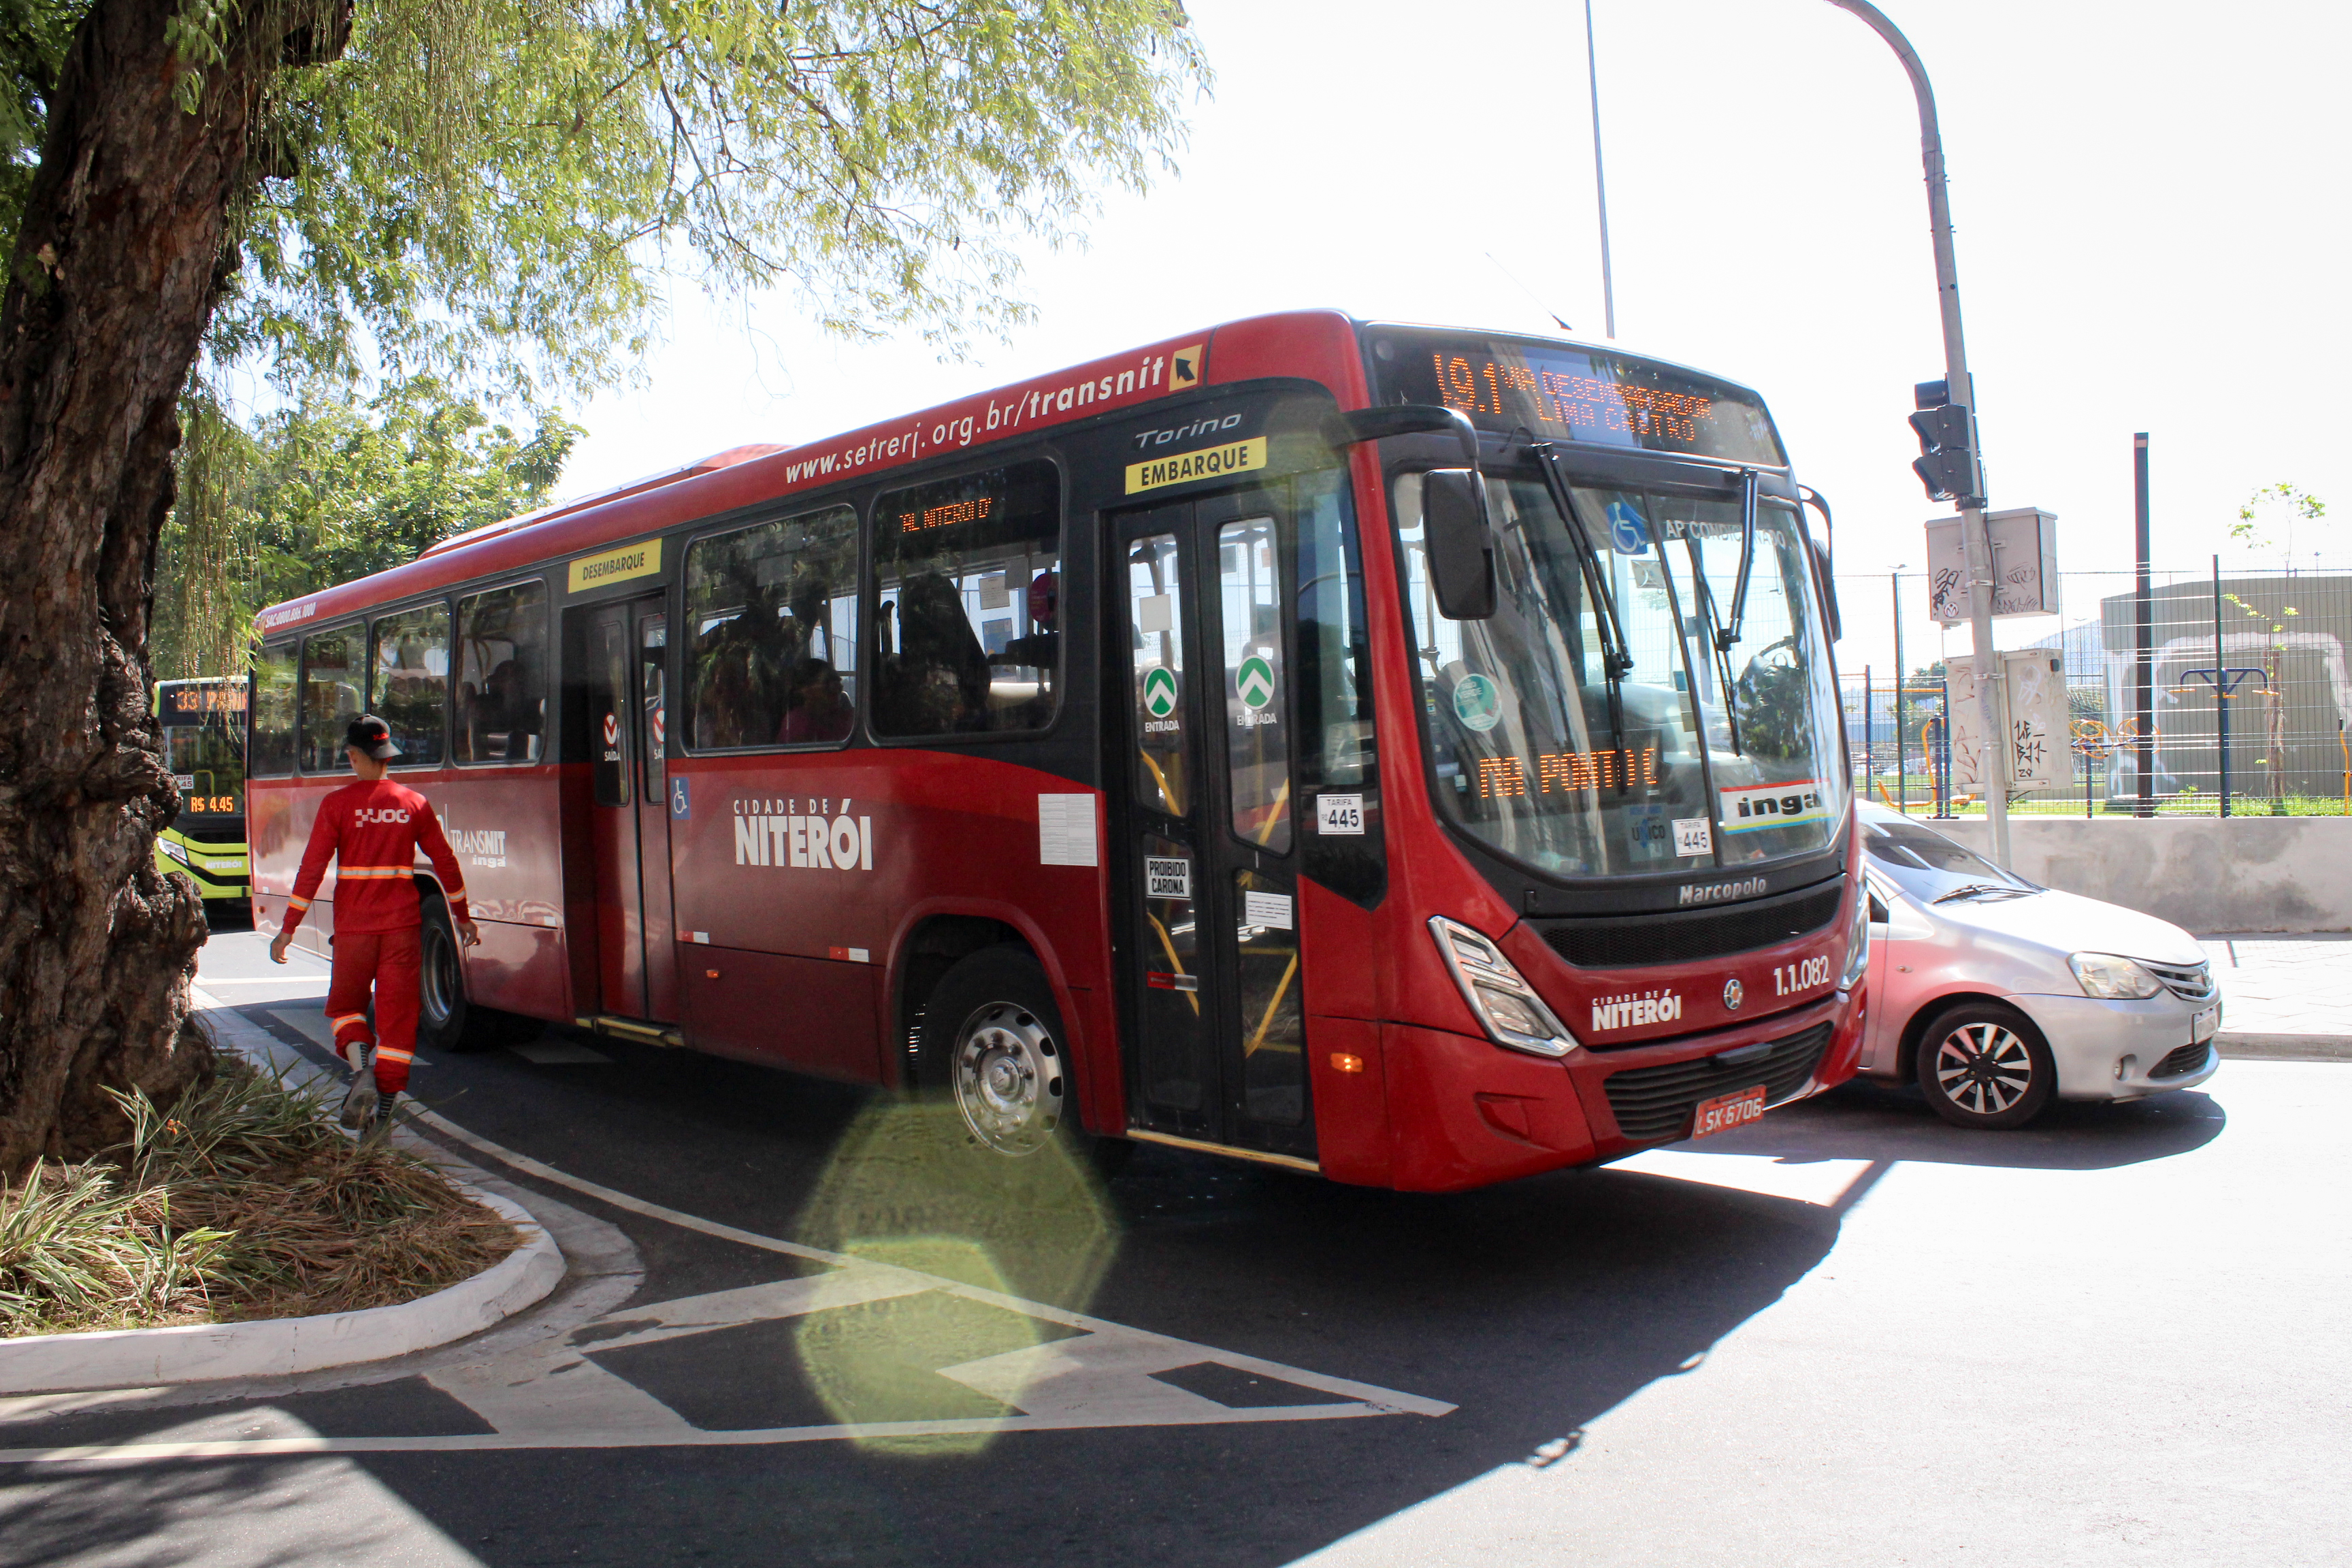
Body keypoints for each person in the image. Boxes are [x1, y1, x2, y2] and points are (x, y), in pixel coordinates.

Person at [270, 715, 478, 1138]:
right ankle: (383, 1110)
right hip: (403, 929)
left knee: (345, 1007)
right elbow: (445, 863)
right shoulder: (413, 804)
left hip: (354, 931)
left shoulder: (337, 805)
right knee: (398, 1022)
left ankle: (361, 1070)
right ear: (386, 757)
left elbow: (312, 869)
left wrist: (288, 928)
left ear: (353, 755)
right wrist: (462, 917)